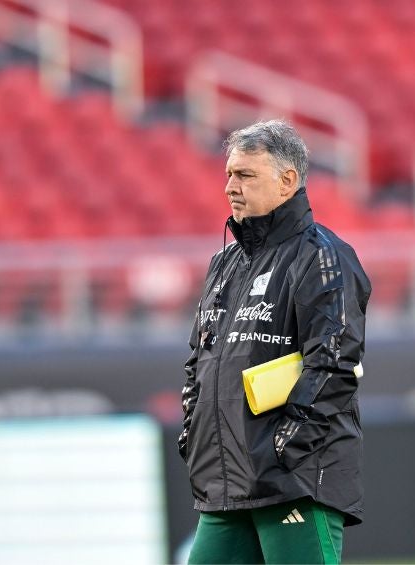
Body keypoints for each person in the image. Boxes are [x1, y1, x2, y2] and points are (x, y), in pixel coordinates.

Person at [178, 119, 372, 564]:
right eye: (228, 174)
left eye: (245, 175)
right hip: (226, 482)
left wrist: (285, 446)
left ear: (288, 182)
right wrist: (194, 432)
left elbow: (335, 361)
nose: (230, 186)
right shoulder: (223, 263)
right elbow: (199, 358)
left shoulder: (322, 255)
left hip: (294, 480)